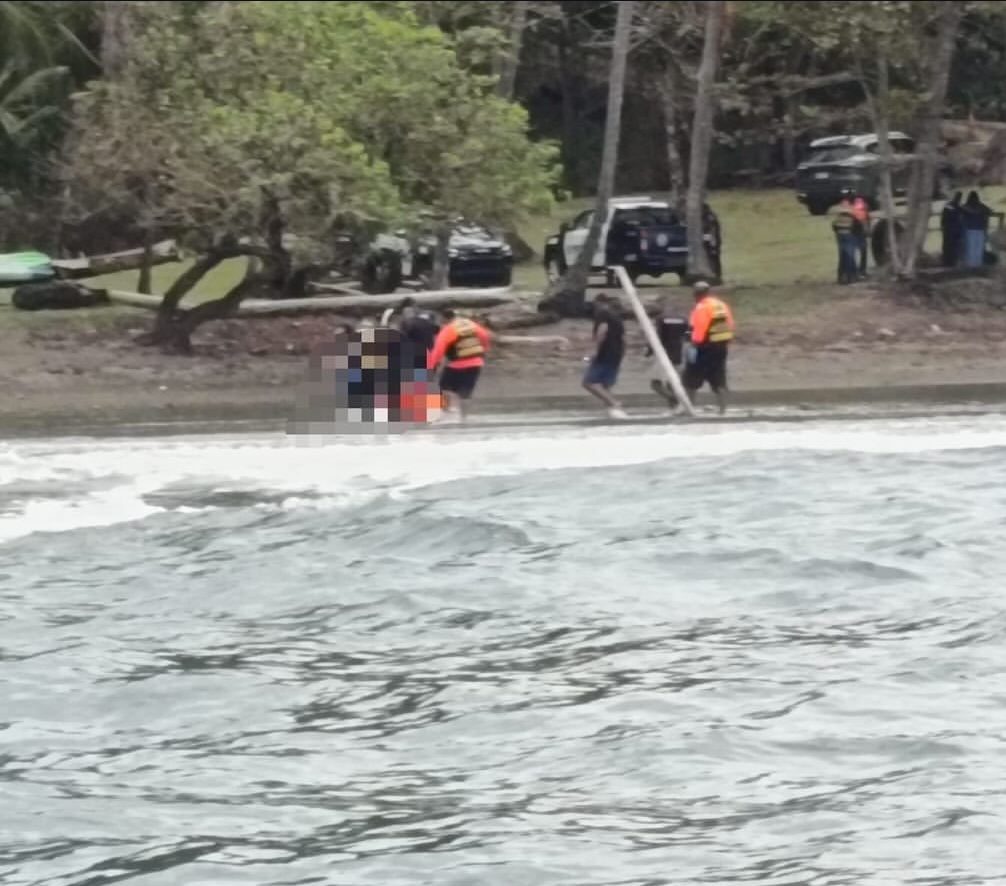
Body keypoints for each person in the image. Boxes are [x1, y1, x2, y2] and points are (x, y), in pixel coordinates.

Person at [426, 309, 492, 422]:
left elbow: (438, 350)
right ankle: (464, 418)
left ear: (444, 319)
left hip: (457, 364)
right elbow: (485, 336)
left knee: (443, 388)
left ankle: (444, 414)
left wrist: (430, 367)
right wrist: (484, 350)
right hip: (476, 363)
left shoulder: (448, 330)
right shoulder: (470, 324)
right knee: (465, 393)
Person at [683, 281, 735, 415]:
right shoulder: (721, 305)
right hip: (721, 346)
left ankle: (689, 409)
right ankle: (723, 411)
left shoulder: (701, 307)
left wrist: (693, 345)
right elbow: (730, 324)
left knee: (690, 378)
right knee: (719, 378)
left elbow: (699, 328)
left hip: (704, 347)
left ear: (697, 294)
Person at [582, 294, 628, 419]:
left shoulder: (603, 314)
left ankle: (615, 404)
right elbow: (623, 339)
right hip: (617, 354)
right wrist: (622, 354)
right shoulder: (617, 319)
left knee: (589, 382)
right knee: (605, 384)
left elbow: (602, 331)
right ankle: (612, 410)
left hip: (605, 353)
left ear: (599, 303)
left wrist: (594, 350)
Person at [644, 298, 688, 410]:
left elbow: (656, 337)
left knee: (655, 384)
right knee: (672, 383)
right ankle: (673, 409)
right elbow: (688, 335)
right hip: (677, 354)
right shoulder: (683, 319)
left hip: (662, 354)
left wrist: (649, 352)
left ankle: (675, 400)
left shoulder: (660, 319)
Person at [960, 190, 992, 269]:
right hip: (973, 230)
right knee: (973, 248)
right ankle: (972, 265)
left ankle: (976, 265)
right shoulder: (967, 206)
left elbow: (989, 211)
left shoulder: (978, 206)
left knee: (975, 248)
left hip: (975, 230)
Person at [832, 200, 860, 285]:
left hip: (840, 237)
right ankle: (850, 277)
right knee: (850, 257)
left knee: (842, 257)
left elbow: (834, 226)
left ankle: (841, 277)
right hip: (848, 236)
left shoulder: (838, 217)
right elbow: (856, 227)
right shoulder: (851, 217)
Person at [940, 191, 963, 267]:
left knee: (948, 246)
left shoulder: (949, 206)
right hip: (952, 229)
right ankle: (949, 262)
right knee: (950, 246)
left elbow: (943, 218)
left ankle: (948, 262)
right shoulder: (957, 207)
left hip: (949, 229)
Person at [850, 192, 870, 276]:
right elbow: (866, 221)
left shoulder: (852, 208)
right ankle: (862, 270)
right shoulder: (863, 207)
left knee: (853, 253)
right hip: (860, 233)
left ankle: (855, 270)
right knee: (863, 253)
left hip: (854, 233)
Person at [702, 203, 723, 280]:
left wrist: (713, 246)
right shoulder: (706, 217)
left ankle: (716, 275)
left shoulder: (710, 218)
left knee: (714, 259)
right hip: (711, 241)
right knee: (711, 259)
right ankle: (715, 274)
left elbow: (713, 233)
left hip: (713, 242)